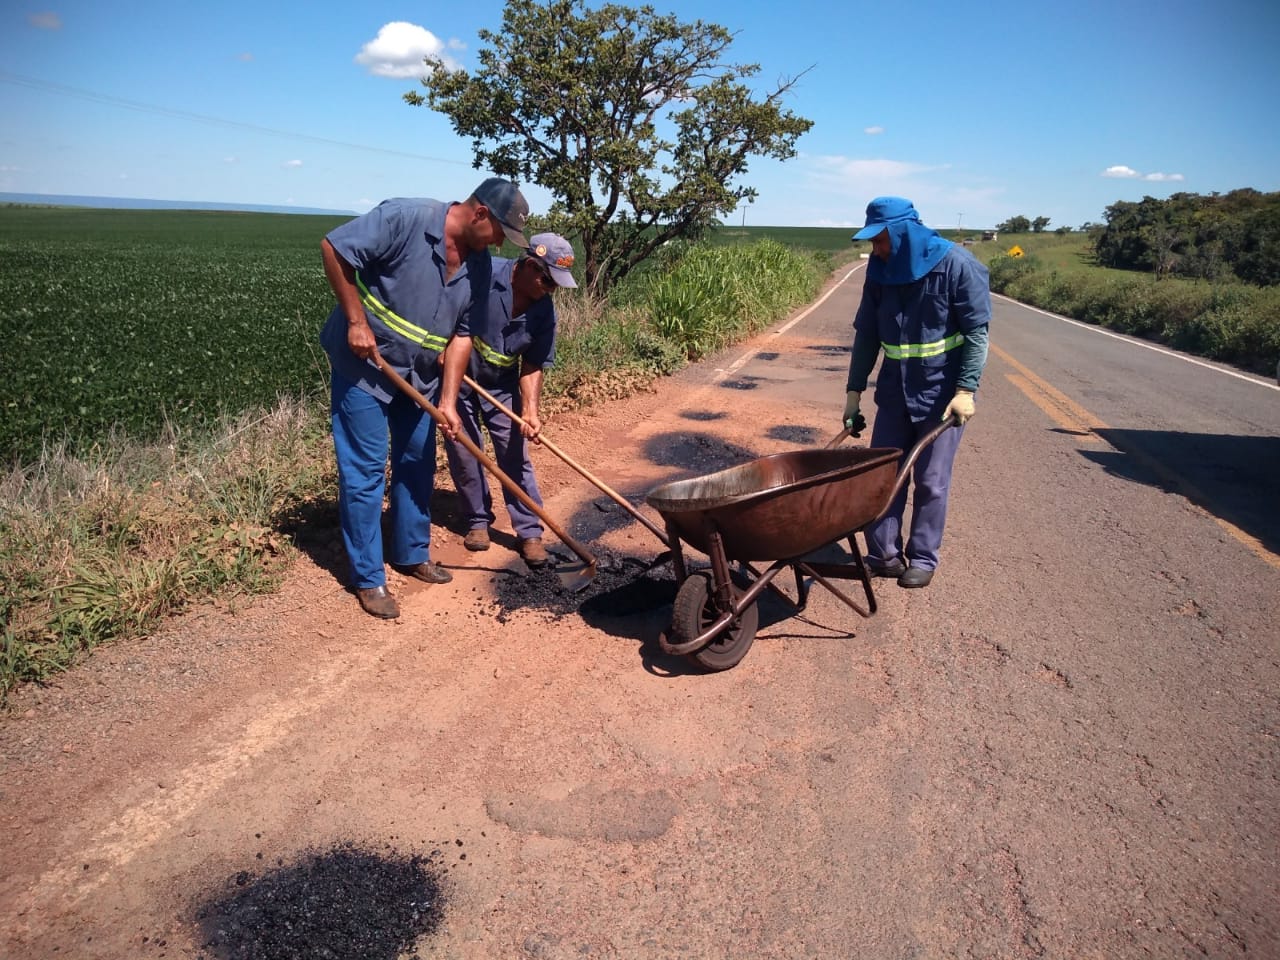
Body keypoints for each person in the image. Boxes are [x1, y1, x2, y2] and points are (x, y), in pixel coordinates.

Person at [320, 177, 530, 619]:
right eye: (499, 233)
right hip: (367, 368)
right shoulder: (406, 218)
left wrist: (450, 400)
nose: (498, 245)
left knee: (416, 464)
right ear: (480, 215)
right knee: (366, 471)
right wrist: (356, 321)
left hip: (420, 380)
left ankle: (411, 553)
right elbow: (334, 249)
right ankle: (368, 577)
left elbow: (462, 337)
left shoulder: (476, 265)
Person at [843, 196, 991, 589]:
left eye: (881, 239)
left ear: (904, 233)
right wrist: (853, 394)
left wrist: (966, 390)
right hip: (894, 392)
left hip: (942, 394)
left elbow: (977, 333)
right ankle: (884, 554)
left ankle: (923, 557)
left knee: (931, 480)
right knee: (885, 475)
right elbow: (867, 335)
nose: (876, 248)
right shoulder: (878, 272)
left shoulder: (957, 265)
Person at [444, 233, 577, 567]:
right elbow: (447, 317)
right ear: (530, 265)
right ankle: (477, 521)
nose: (551, 289)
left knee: (515, 453)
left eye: (556, 284)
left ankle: (529, 532)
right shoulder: (484, 276)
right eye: (548, 280)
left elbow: (532, 364)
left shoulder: (544, 312)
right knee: (464, 448)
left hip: (501, 383)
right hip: (459, 377)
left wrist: (530, 411)